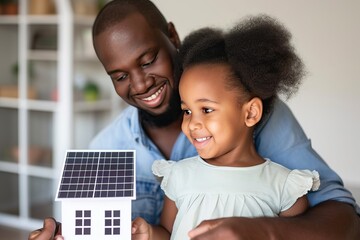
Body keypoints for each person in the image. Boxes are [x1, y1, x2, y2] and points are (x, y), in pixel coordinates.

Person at [28, 0, 360, 239]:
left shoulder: (260, 117)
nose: (140, 85)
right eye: (119, 76)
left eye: (148, 60)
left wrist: (265, 230)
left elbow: (345, 219)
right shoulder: (105, 149)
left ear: (172, 36)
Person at [132, 15, 322, 240]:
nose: (193, 123)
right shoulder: (179, 176)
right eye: (187, 111)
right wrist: (150, 234)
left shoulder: (283, 187)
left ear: (250, 113)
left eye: (207, 110)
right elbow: (168, 232)